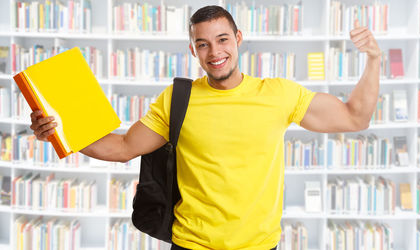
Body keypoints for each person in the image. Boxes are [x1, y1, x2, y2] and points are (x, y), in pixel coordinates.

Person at [30, 5, 381, 250]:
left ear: (238, 38)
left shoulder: (278, 94)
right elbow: (122, 148)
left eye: (223, 39)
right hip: (191, 245)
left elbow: (355, 117)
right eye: (203, 43)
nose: (215, 51)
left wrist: (374, 59)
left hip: (258, 247)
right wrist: (58, 130)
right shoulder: (178, 98)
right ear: (193, 50)